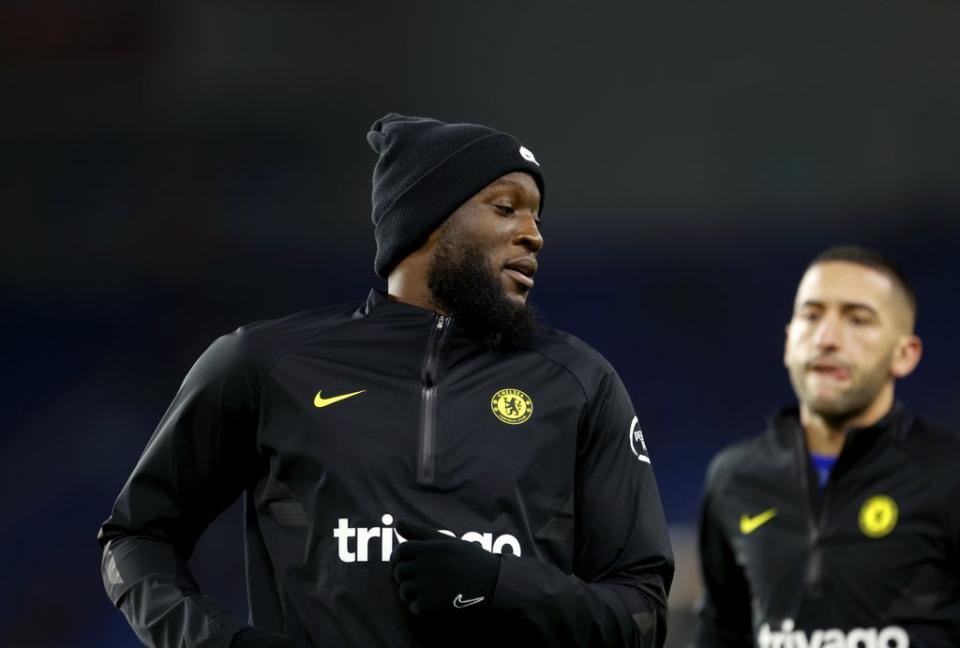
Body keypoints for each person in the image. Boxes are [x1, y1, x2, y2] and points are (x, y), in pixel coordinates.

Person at [98, 113, 674, 647]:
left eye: (537, 216)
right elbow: (136, 539)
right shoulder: (263, 363)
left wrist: (500, 586)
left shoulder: (578, 381)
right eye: (506, 208)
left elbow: (642, 614)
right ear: (428, 219)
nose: (534, 235)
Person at [692, 246, 960, 648]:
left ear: (904, 355)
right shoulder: (733, 480)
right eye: (811, 315)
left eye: (857, 319)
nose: (827, 337)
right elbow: (721, 632)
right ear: (788, 341)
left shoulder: (948, 473)